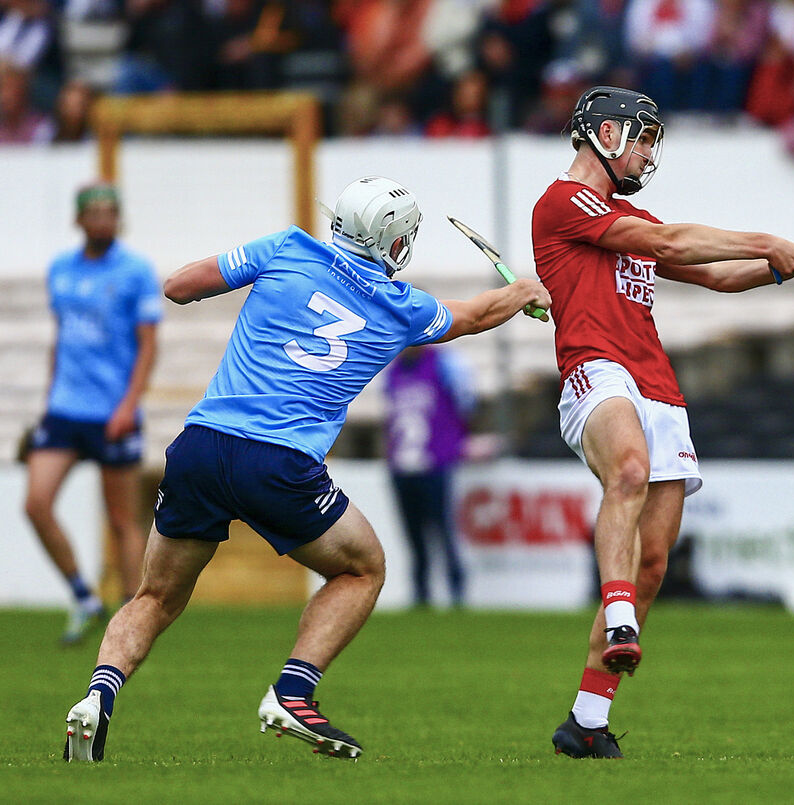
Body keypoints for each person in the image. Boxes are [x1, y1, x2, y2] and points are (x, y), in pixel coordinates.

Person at [61, 176, 551, 763]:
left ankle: (97, 696)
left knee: (155, 596)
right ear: (394, 245)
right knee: (362, 569)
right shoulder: (402, 306)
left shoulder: (288, 247)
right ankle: (294, 691)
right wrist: (524, 291)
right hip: (279, 462)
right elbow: (473, 315)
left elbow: (178, 287)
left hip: (201, 446)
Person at [532, 85, 794, 758]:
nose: (648, 151)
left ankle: (586, 721)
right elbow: (673, 238)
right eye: (642, 137)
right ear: (606, 133)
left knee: (652, 562)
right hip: (597, 369)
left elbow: (717, 276)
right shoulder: (564, 202)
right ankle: (618, 617)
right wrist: (771, 239)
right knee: (629, 469)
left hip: (658, 385)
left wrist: (788, 266)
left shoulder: (631, 218)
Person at [24, 183, 160, 646]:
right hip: (65, 408)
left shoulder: (136, 271)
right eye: (94, 213)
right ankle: (84, 596)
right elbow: (62, 340)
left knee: (121, 518)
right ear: (78, 220)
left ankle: (131, 615)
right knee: (36, 504)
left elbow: (147, 347)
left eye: (110, 213)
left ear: (118, 220)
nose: (102, 220)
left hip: (112, 412)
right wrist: (48, 400)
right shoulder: (60, 270)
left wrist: (129, 404)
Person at [382, 344, 474, 606]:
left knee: (442, 529)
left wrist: (455, 441)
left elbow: (465, 403)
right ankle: (421, 594)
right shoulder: (394, 369)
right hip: (402, 465)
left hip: (435, 463)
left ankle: (456, 590)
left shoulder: (445, 364)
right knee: (413, 534)